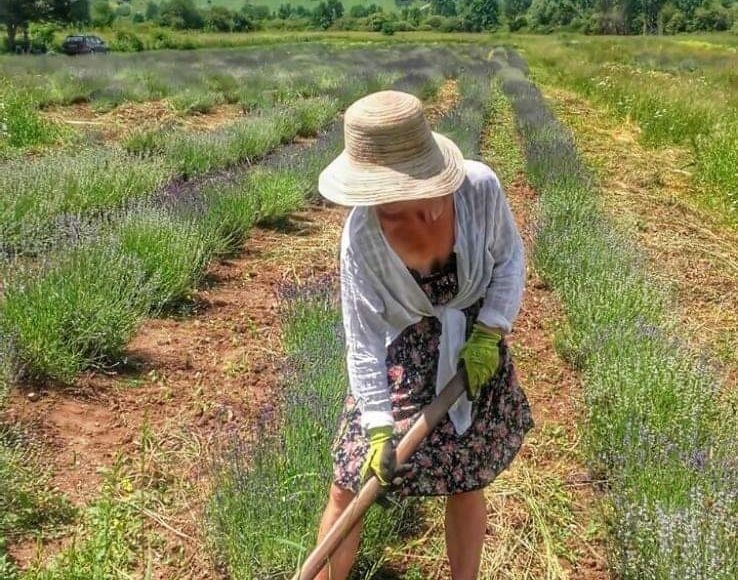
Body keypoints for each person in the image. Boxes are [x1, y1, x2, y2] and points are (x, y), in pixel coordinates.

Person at [315, 90, 534, 580]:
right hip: (405, 354)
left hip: (474, 348)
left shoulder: (479, 190)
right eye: (397, 209)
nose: (430, 216)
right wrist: (376, 424)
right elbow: (364, 337)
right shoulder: (362, 240)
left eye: (427, 195)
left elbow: (509, 261)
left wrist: (490, 331)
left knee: (467, 477)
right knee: (349, 480)